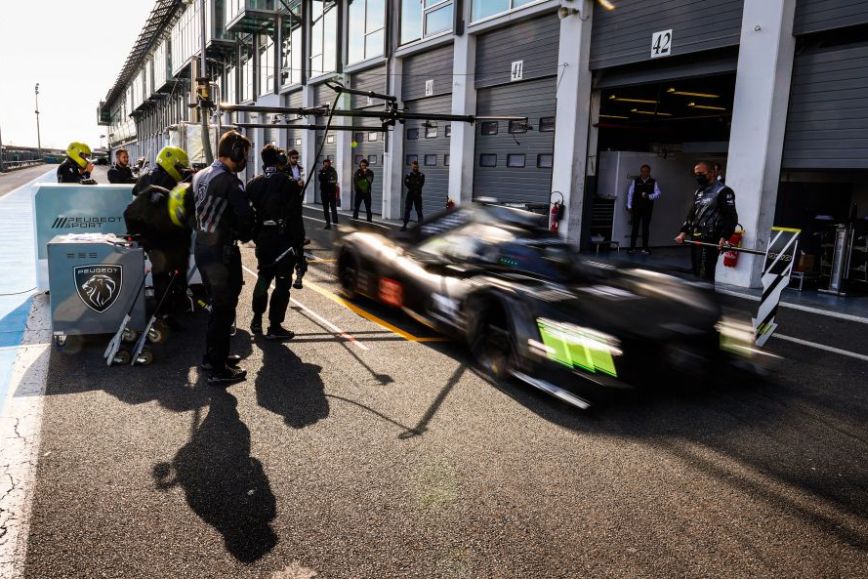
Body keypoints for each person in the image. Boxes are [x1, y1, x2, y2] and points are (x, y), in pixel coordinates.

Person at [193, 131, 255, 385]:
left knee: (216, 306)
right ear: (236, 152)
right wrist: (246, 230)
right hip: (222, 254)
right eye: (244, 154)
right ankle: (218, 369)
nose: (245, 159)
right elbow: (246, 222)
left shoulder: (201, 175)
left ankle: (213, 357)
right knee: (224, 309)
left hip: (202, 248)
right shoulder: (230, 182)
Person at [246, 144, 303, 341]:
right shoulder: (288, 183)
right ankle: (275, 326)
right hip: (283, 242)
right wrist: (299, 250)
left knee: (263, 277)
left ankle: (256, 319)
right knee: (283, 283)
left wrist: (256, 235)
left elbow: (248, 216)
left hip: (263, 242)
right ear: (280, 161)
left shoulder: (252, 184)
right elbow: (296, 220)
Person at [132, 146, 193, 328]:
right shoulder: (170, 181)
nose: (181, 170)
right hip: (171, 237)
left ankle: (162, 313)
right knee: (176, 275)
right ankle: (171, 312)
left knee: (160, 275)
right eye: (180, 166)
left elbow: (135, 191)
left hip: (152, 237)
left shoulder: (147, 177)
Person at [675, 161, 738, 282]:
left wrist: (724, 237)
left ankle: (706, 293)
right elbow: (692, 214)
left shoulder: (723, 191)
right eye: (696, 174)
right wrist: (683, 233)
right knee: (696, 272)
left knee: (705, 275)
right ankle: (697, 292)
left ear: (712, 173)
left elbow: (731, 217)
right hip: (696, 237)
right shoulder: (699, 191)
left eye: (701, 174)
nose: (698, 176)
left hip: (711, 239)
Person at [626, 164, 662, 254]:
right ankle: (632, 247)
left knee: (646, 228)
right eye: (642, 171)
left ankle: (645, 247)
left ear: (649, 172)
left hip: (647, 208)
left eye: (646, 171)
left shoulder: (653, 182)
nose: (644, 173)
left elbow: (658, 193)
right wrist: (629, 206)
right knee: (635, 227)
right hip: (636, 207)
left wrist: (649, 196)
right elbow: (630, 193)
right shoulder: (636, 181)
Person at [401, 160, 425, 231]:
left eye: (416, 167)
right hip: (410, 195)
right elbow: (406, 183)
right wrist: (413, 187)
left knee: (419, 210)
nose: (415, 168)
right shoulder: (408, 175)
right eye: (414, 167)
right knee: (407, 210)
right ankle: (404, 225)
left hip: (418, 195)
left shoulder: (421, 175)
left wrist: (414, 187)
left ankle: (421, 226)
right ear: (412, 167)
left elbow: (420, 184)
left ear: (418, 167)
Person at [318, 158, 339, 229]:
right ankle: (328, 223)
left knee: (333, 208)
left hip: (331, 192)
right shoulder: (321, 171)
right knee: (325, 208)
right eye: (325, 163)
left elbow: (334, 181)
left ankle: (335, 222)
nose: (326, 165)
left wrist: (327, 179)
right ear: (323, 164)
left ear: (329, 164)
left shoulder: (333, 171)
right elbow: (320, 179)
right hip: (324, 192)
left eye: (327, 163)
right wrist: (327, 179)